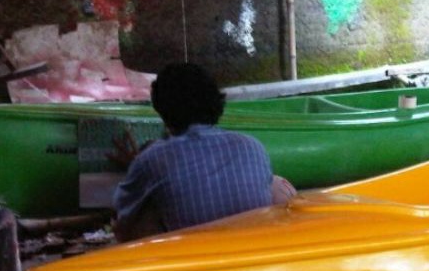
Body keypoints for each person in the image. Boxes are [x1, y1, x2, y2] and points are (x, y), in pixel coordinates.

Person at [112, 63, 295, 242]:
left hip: (194, 254)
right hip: (254, 250)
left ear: (162, 110)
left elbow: (122, 214)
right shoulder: (252, 146)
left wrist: (136, 166)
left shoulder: (153, 159)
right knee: (276, 184)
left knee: (143, 208)